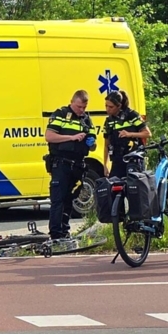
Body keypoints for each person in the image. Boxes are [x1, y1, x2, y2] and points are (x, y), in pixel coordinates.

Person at [45, 90, 96, 239]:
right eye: (79, 107)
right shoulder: (61, 114)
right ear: (72, 102)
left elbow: (92, 144)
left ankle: (64, 231)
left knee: (69, 200)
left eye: (84, 107)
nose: (82, 110)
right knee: (58, 199)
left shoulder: (86, 119)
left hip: (77, 165)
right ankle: (55, 234)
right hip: (61, 163)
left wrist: (91, 143)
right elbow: (49, 136)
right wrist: (72, 137)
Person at [102, 90, 151, 179]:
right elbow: (106, 145)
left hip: (133, 159)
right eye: (106, 106)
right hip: (117, 160)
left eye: (111, 107)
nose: (107, 109)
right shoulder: (109, 121)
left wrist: (129, 134)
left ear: (119, 106)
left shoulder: (131, 115)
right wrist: (105, 165)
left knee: (133, 187)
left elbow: (147, 133)